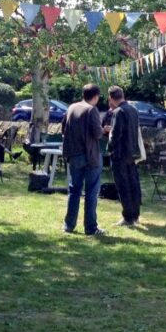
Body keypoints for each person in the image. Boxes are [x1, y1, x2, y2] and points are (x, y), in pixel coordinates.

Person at [62, 83, 105, 236]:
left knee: (74, 190)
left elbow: (63, 128)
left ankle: (69, 225)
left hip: (73, 154)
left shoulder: (71, 107)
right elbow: (97, 134)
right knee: (91, 192)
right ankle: (90, 227)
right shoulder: (91, 109)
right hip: (89, 155)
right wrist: (104, 129)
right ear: (96, 97)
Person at [106, 86, 142, 227]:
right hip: (132, 152)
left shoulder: (118, 111)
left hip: (120, 154)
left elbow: (115, 135)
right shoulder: (133, 109)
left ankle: (128, 217)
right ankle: (136, 214)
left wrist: (109, 148)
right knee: (133, 184)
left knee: (123, 185)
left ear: (111, 97)